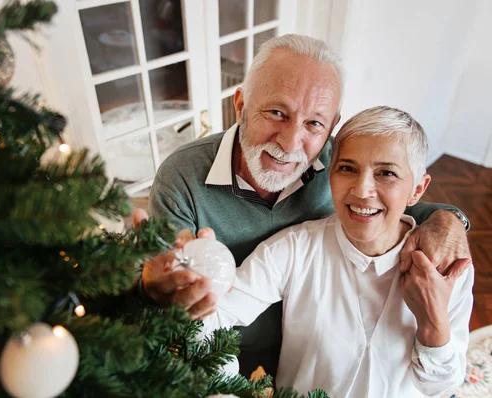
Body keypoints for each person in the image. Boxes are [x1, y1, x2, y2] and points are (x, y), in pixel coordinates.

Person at [140, 34, 471, 377]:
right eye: (277, 112)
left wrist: (449, 219)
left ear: (330, 128)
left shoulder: (340, 165)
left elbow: (391, 202)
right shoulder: (181, 177)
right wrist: (148, 287)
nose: (290, 141)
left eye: (314, 123)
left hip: (307, 344)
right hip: (226, 348)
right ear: (240, 105)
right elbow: (172, 292)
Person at [200, 106, 474, 397]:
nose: (362, 189)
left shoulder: (447, 267)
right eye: (347, 168)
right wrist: (227, 389)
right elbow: (211, 315)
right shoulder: (294, 249)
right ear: (330, 174)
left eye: (386, 173)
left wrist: (433, 326)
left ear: (417, 189)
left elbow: (441, 385)